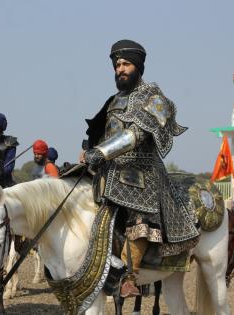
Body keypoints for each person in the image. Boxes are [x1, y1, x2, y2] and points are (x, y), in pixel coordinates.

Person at [80, 39, 199, 297]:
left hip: (143, 174)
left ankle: (128, 276)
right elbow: (104, 132)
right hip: (110, 171)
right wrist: (89, 149)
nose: (120, 69)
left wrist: (100, 152)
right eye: (117, 65)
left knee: (140, 217)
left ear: (139, 66)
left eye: (126, 64)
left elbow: (136, 134)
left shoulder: (156, 98)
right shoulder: (114, 100)